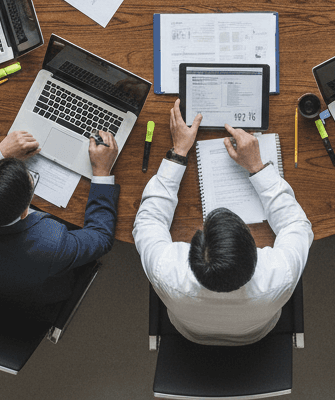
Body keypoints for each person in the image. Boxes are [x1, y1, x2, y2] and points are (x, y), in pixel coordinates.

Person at [132, 100, 312, 345]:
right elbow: (295, 225)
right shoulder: (280, 272)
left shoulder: (167, 269)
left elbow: (148, 220)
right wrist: (257, 167)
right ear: (256, 250)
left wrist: (179, 152)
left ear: (192, 252)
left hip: (191, 332)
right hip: (255, 333)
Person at [0, 129, 119, 315]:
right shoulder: (51, 244)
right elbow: (101, 237)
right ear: (25, 211)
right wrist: (102, 172)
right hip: (26, 305)